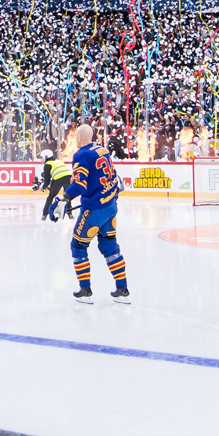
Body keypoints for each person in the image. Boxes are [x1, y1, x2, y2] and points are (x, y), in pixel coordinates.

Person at [64, 124, 129, 304]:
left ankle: (85, 290)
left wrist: (64, 198)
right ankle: (122, 289)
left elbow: (80, 185)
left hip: (93, 210)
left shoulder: (81, 155)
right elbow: (112, 176)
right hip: (110, 207)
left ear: (79, 138)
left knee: (78, 245)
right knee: (110, 248)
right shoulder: (103, 150)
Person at [34, 148, 71, 222]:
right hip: (68, 177)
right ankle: (70, 213)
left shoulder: (47, 164)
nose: (41, 159)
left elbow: (47, 181)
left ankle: (44, 214)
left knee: (51, 197)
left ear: (46, 157)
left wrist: (42, 188)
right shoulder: (59, 161)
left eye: (42, 157)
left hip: (58, 179)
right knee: (67, 195)